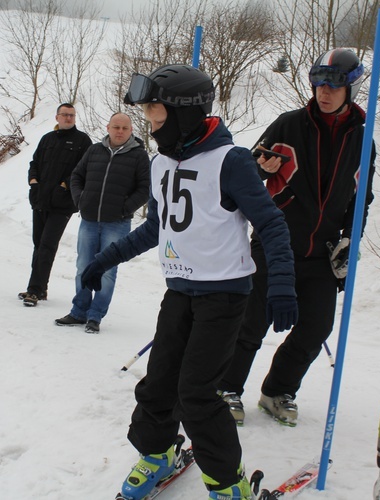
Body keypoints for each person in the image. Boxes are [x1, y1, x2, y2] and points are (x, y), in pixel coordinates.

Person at [81, 65, 297, 500]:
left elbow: (271, 224)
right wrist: (104, 258)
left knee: (197, 394)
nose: (151, 124)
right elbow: (156, 228)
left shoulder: (230, 161)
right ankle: (158, 452)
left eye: (157, 115)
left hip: (225, 295)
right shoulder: (161, 162)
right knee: (158, 383)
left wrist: (282, 286)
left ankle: (228, 482)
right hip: (179, 291)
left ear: (184, 114)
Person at [218, 48, 376, 427]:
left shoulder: (363, 138)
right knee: (250, 323)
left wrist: (350, 240)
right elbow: (244, 174)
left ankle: (277, 390)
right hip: (275, 242)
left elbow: (361, 196)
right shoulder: (289, 124)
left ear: (350, 86)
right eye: (318, 82)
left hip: (321, 253)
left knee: (317, 327)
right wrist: (259, 168)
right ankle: (225, 388)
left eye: (333, 84)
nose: (324, 91)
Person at [54, 112, 150, 333]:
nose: (119, 131)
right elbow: (76, 176)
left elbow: (145, 188)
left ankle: (95, 316)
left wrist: (124, 209)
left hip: (117, 224)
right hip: (89, 220)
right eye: (116, 127)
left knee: (107, 271)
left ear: (131, 131)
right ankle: (78, 312)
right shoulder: (94, 150)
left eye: (124, 128)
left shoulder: (138, 156)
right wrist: (80, 200)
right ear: (108, 127)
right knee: (83, 267)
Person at [19, 103, 92, 307]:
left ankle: (34, 290)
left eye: (72, 115)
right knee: (38, 244)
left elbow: (84, 170)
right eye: (65, 115)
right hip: (41, 200)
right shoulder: (47, 139)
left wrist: (64, 185)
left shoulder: (83, 141)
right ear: (57, 117)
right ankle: (40, 288)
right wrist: (33, 182)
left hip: (62, 204)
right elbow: (34, 163)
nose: (69, 118)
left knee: (47, 246)